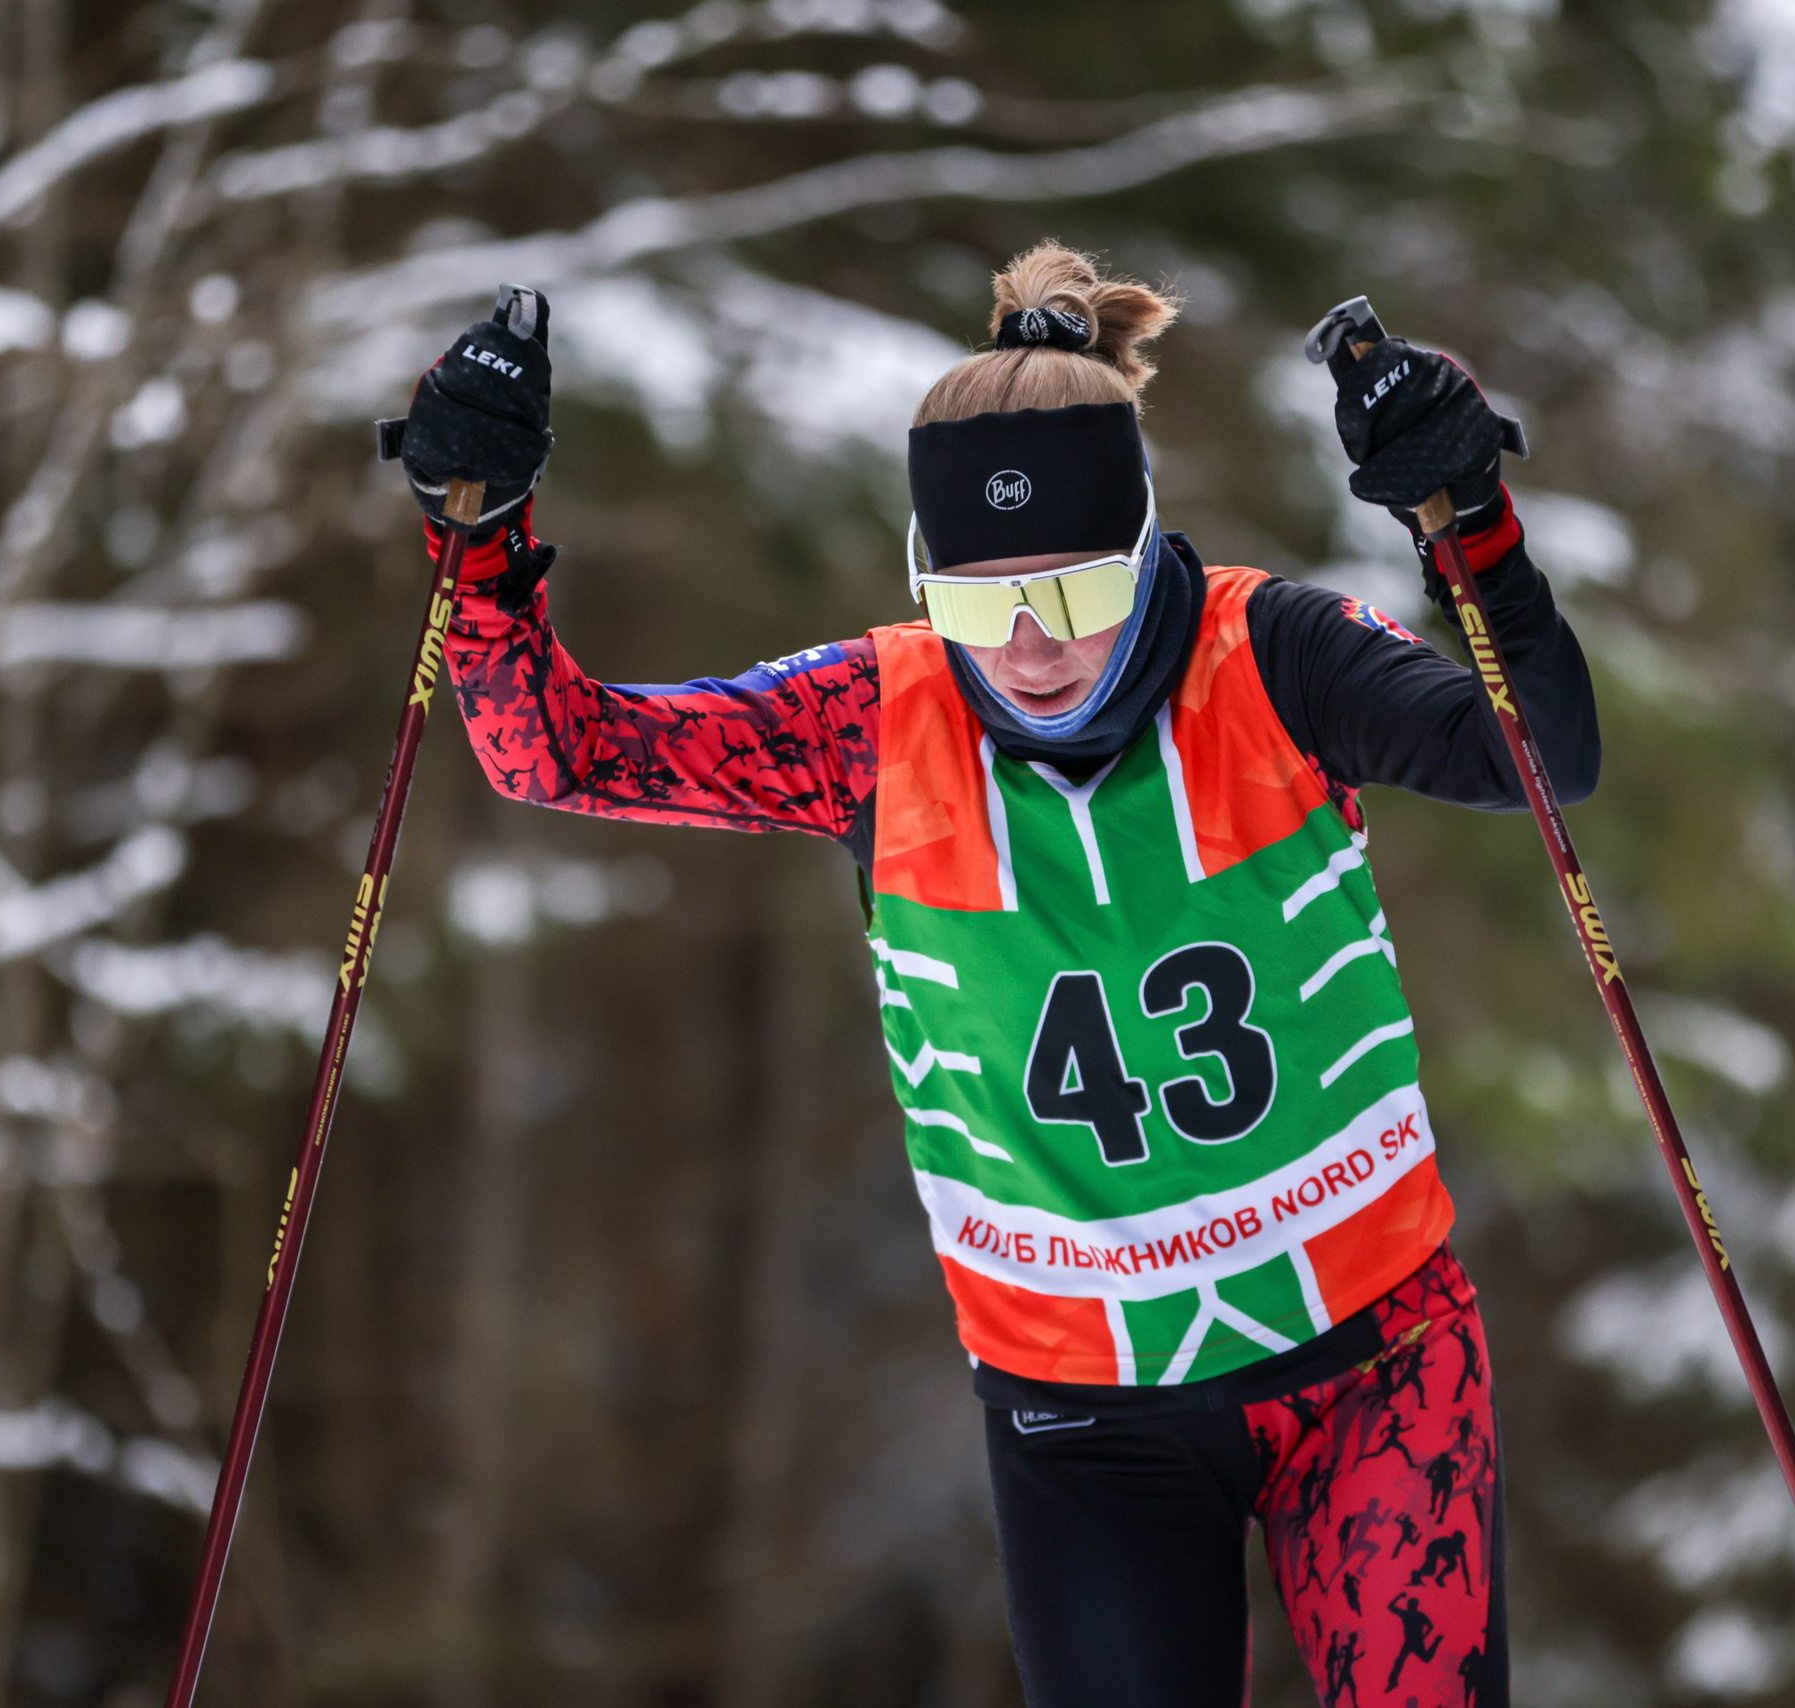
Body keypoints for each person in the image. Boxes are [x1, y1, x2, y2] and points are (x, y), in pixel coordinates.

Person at [397, 246, 1599, 1708]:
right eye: (976, 602)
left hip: (1373, 1368)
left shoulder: (1272, 656)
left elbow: (1535, 757)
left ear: (1147, 541)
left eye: (1074, 593)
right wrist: (480, 536)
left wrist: (1468, 526)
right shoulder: (873, 719)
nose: (1027, 649)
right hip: (1081, 1416)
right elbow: (556, 751)